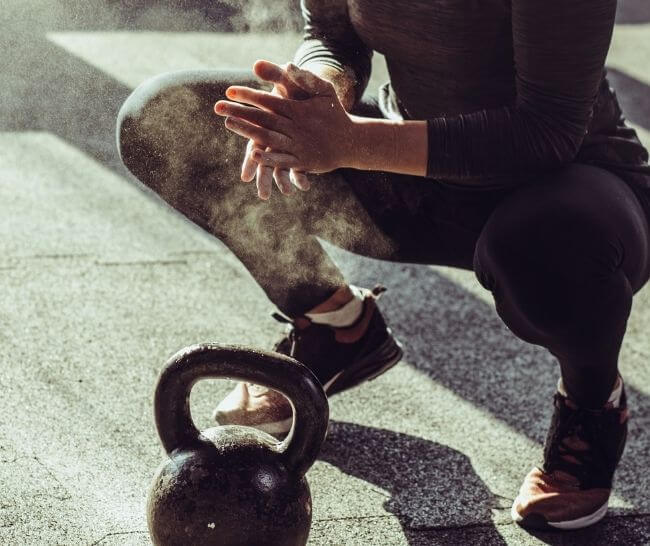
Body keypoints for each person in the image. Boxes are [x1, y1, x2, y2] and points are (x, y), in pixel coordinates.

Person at [117, 0, 650, 532]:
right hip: (414, 178)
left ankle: (591, 402)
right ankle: (335, 325)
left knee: (539, 242)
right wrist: (317, 95)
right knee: (161, 117)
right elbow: (332, 34)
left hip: (569, 191)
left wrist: (347, 142)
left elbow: (544, 132)